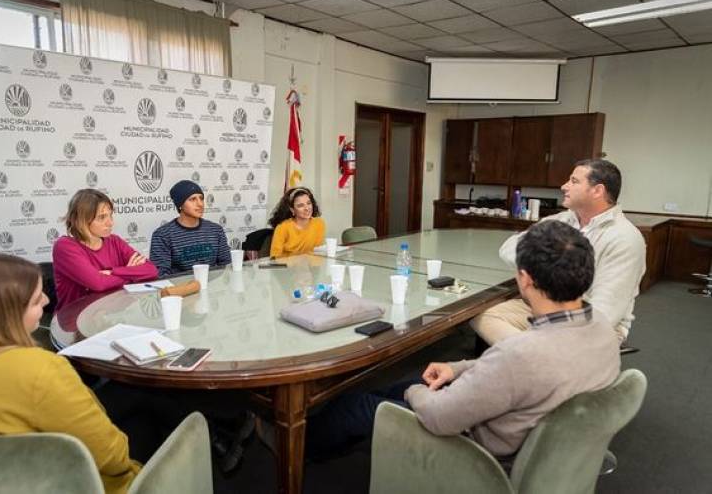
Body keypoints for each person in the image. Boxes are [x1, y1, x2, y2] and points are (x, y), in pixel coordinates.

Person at [304, 220, 621, 459]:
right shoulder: (604, 330)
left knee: (360, 404)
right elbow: (513, 369)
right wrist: (458, 369)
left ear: (524, 278)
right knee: (411, 381)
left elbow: (440, 417)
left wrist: (415, 392)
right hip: (536, 427)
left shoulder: (521, 353)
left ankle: (305, 448)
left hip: (480, 453)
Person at [0, 252, 141, 494]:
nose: (47, 300)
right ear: (6, 312)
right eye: (36, 300)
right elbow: (114, 457)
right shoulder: (40, 369)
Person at [472, 159, 646, 344]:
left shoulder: (625, 238)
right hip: (545, 307)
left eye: (574, 181)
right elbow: (509, 247)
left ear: (597, 191)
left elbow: (605, 313)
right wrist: (542, 264)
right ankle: (538, 356)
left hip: (590, 321)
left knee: (540, 344)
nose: (564, 186)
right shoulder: (562, 220)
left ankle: (533, 356)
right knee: (482, 317)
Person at [53, 189, 158, 310]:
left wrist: (114, 272)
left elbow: (151, 270)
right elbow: (99, 284)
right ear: (80, 220)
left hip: (112, 314)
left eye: (110, 215)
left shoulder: (114, 241)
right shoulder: (65, 246)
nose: (110, 222)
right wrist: (131, 271)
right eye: (102, 217)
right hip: (75, 321)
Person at [150, 180, 231, 278]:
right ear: (180, 205)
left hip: (213, 288)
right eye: (192, 199)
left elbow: (227, 265)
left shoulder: (215, 230)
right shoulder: (162, 235)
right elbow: (161, 275)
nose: (200, 204)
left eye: (201, 198)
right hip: (181, 290)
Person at [268, 186, 325, 258]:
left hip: (310, 267)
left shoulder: (319, 224)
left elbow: (317, 254)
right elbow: (274, 258)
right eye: (300, 205)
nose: (307, 208)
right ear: (292, 210)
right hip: (286, 268)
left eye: (309, 203)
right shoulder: (282, 227)